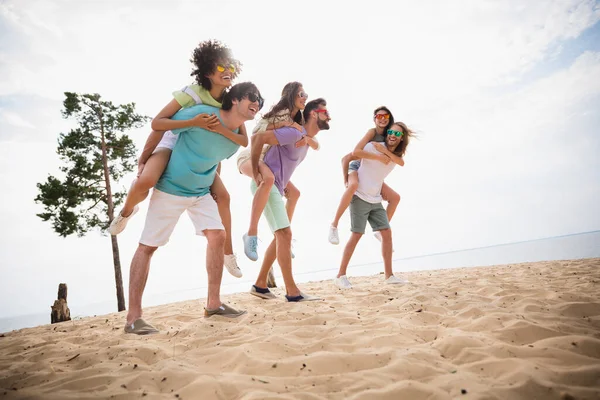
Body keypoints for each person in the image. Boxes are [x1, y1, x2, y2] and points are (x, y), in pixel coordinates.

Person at [124, 82, 263, 334]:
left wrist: (213, 187)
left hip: (200, 192)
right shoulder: (199, 116)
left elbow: (213, 159)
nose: (257, 103)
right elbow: (161, 127)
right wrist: (144, 160)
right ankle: (133, 318)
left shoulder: (236, 141)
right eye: (252, 97)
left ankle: (213, 303)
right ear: (234, 100)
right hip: (170, 189)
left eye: (260, 101)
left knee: (217, 235)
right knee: (147, 247)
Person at [108, 39, 246, 278]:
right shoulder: (192, 92)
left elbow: (241, 135)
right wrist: (191, 123)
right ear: (207, 71)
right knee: (145, 182)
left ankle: (228, 254)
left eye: (231, 67)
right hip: (174, 139)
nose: (228, 72)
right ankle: (126, 212)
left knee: (223, 196)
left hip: (202, 152)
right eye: (222, 67)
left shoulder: (230, 98)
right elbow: (158, 123)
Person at [243, 98, 331, 301]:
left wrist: (310, 140)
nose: (329, 115)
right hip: (267, 184)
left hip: (278, 187)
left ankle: (260, 285)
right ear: (314, 114)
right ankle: (292, 292)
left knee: (282, 236)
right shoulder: (293, 133)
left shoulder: (305, 138)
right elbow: (259, 138)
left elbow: (315, 144)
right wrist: (257, 171)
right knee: (284, 234)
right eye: (325, 111)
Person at [236, 82, 318, 262]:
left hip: (267, 161)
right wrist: (283, 123)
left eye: (306, 94)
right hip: (250, 157)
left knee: (295, 193)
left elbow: (315, 143)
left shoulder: (300, 121)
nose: (305, 97)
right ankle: (251, 234)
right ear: (291, 95)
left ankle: (283, 238)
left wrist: (306, 139)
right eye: (301, 94)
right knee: (268, 179)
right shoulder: (281, 113)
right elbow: (256, 134)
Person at [334, 122, 413, 289]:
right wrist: (346, 179)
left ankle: (389, 276)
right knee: (356, 235)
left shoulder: (395, 156)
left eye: (397, 134)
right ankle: (340, 275)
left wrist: (385, 152)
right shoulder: (372, 146)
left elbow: (401, 162)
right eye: (390, 132)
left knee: (387, 234)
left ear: (402, 138)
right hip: (359, 197)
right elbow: (350, 157)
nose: (392, 135)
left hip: (375, 199)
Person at [328, 107, 401, 245]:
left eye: (386, 116)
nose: (383, 118)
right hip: (356, 167)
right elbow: (348, 157)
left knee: (395, 198)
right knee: (354, 185)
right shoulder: (372, 133)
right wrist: (345, 179)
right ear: (374, 119)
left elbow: (398, 160)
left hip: (371, 174)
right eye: (379, 116)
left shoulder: (390, 135)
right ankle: (334, 225)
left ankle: (380, 230)